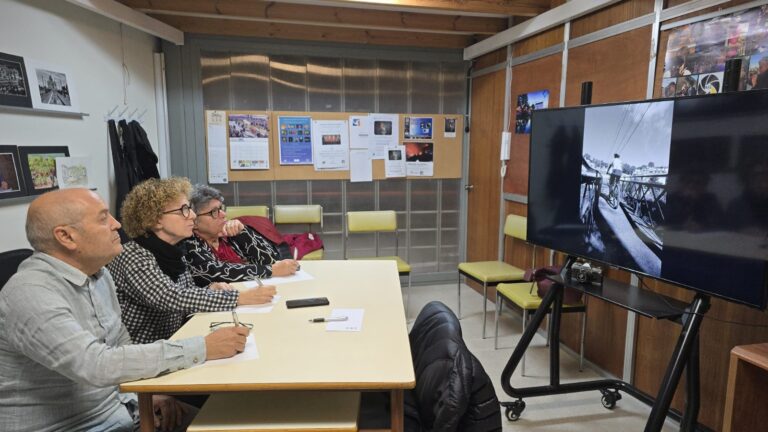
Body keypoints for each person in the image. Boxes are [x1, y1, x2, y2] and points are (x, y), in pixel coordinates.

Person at [0, 188, 249, 432]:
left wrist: (144, 395)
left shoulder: (99, 274)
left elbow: (120, 343)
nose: (116, 224)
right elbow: (95, 364)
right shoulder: (30, 292)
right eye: (102, 218)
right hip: (73, 425)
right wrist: (203, 347)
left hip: (122, 410)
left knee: (235, 421)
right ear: (66, 237)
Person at [107, 177, 276, 344]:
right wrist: (239, 298)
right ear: (156, 220)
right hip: (146, 352)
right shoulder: (133, 255)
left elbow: (187, 291)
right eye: (184, 210)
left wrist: (210, 287)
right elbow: (169, 296)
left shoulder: (174, 251)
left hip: (176, 342)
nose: (193, 215)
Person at [184, 184, 299, 287]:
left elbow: (272, 259)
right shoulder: (190, 243)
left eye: (221, 208)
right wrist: (271, 270)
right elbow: (216, 272)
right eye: (214, 212)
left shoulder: (229, 235)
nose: (223, 214)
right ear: (194, 220)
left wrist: (243, 231)